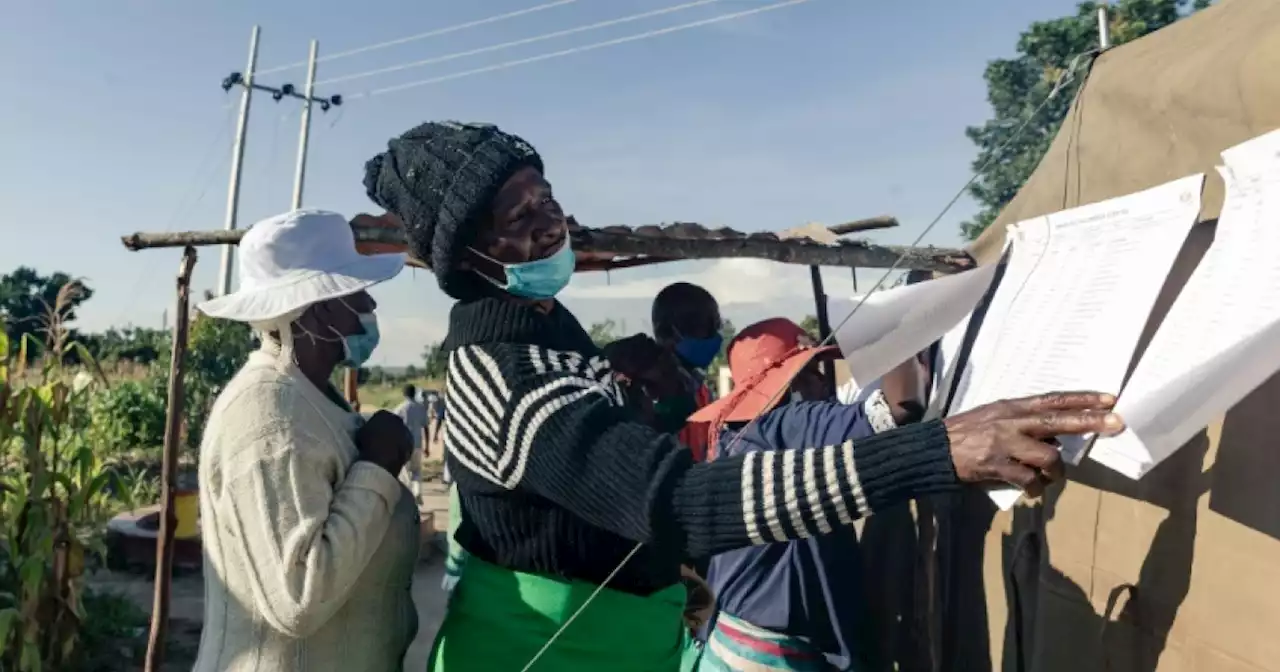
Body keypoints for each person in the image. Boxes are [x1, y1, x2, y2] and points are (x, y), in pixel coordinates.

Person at [360, 121, 1123, 671]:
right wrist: (938, 453)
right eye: (521, 218)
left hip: (624, 641)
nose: (554, 222)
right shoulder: (503, 371)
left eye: (548, 198)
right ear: (468, 259)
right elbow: (682, 503)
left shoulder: (546, 326)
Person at [192, 209, 419, 672]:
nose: (370, 309)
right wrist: (377, 466)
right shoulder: (266, 413)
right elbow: (298, 596)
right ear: (318, 307)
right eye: (356, 293)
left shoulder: (308, 399)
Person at [689, 318, 926, 671]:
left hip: (728, 645)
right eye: (813, 370)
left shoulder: (736, 437)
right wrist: (899, 325)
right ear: (789, 384)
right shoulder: (789, 425)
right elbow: (902, 406)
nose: (825, 380)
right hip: (772, 657)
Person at [395, 383, 430, 501]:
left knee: (404, 471)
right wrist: (427, 446)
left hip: (404, 444)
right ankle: (417, 492)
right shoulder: (421, 408)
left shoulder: (400, 408)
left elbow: (393, 425)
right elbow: (426, 427)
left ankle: (408, 497)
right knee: (417, 470)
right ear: (414, 393)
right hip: (418, 444)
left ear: (404, 394)